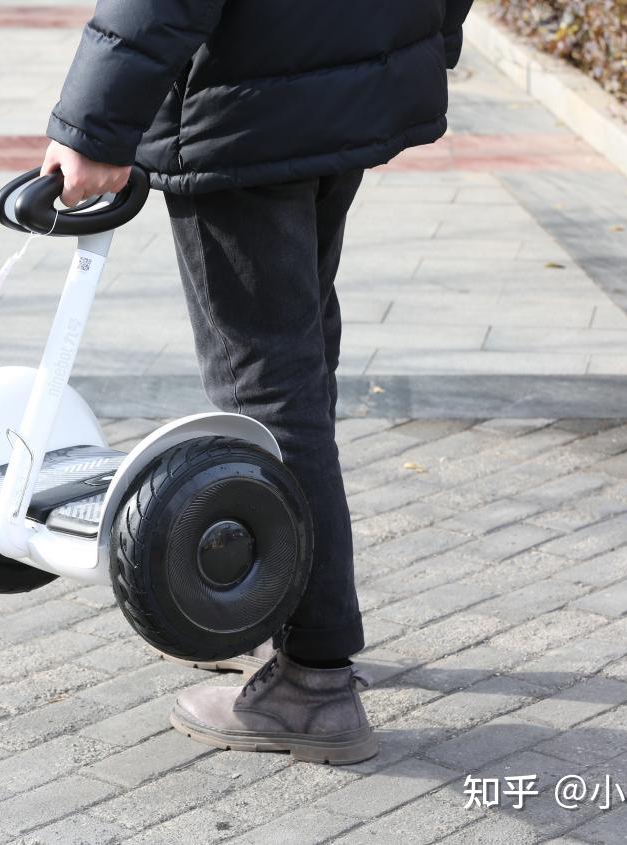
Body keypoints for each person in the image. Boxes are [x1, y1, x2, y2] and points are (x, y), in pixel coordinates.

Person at [40, 0, 473, 764]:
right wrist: (425, 37)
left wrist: (93, 128)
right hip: (341, 77)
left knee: (270, 396)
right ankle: (287, 627)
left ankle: (311, 686)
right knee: (296, 373)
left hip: (244, 105)